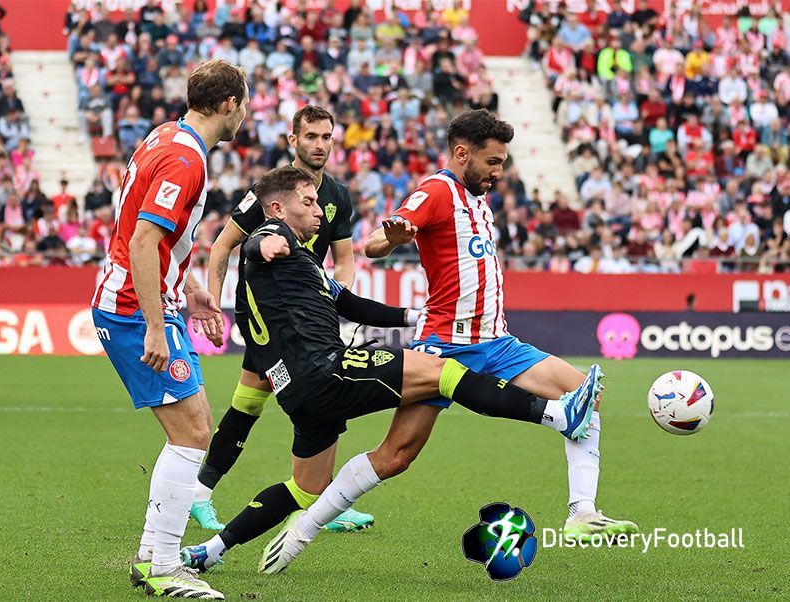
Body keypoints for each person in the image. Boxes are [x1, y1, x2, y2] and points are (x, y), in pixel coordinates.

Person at [238, 110, 638, 575]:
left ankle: (582, 513)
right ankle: (303, 531)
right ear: (462, 153)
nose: (499, 172)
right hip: (445, 345)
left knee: (587, 396)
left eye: (502, 162)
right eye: (492, 162)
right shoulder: (436, 191)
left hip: (498, 341)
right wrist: (391, 238)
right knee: (395, 457)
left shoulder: (479, 199)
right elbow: (372, 245)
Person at [90, 59, 249, 600]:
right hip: (135, 309)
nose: (245, 115)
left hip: (150, 299)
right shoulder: (186, 159)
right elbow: (140, 241)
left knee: (196, 426)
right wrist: (157, 325)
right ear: (230, 104)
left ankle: (154, 557)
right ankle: (159, 564)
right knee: (192, 433)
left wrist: (188, 292)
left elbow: (154, 239)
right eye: (244, 104)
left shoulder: (168, 135)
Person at [195, 106, 372, 533]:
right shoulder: (271, 192)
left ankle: (204, 493)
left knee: (258, 400)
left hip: (308, 320)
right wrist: (213, 304)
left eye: (326, 136)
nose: (319, 144)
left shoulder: (337, 196)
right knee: (301, 395)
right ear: (292, 140)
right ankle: (314, 499)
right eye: (310, 136)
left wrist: (334, 302)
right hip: (268, 316)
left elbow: (345, 259)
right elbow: (222, 248)